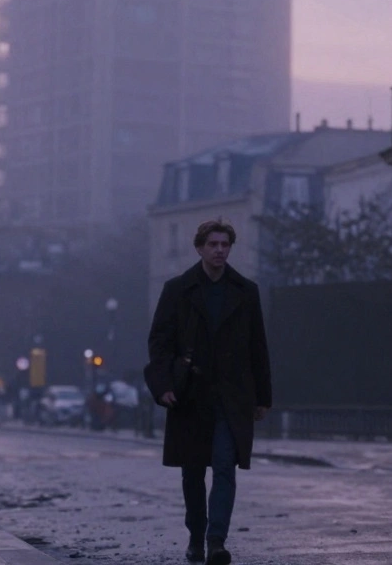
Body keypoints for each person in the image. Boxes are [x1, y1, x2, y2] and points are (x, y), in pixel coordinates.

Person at [145, 219, 272, 565]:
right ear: (199, 248)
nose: (219, 250)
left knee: (224, 467)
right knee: (192, 472)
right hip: (191, 394)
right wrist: (164, 386)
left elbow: (257, 346)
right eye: (213, 244)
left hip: (231, 396)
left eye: (225, 244)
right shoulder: (177, 289)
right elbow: (159, 343)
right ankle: (196, 536)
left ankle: (216, 540)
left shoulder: (245, 291)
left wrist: (262, 397)